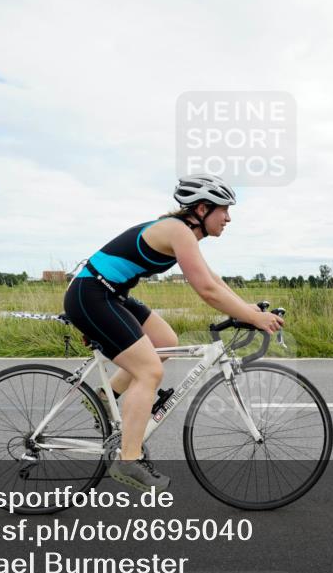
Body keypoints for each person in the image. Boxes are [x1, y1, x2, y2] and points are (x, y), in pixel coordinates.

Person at [62, 174, 284, 492]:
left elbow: (213, 279)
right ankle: (128, 460)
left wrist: (248, 309)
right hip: (91, 294)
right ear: (204, 209)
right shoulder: (177, 230)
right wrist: (254, 318)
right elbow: (206, 290)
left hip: (110, 293)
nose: (229, 218)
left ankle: (100, 399)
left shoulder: (183, 234)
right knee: (149, 371)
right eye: (225, 210)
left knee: (166, 342)